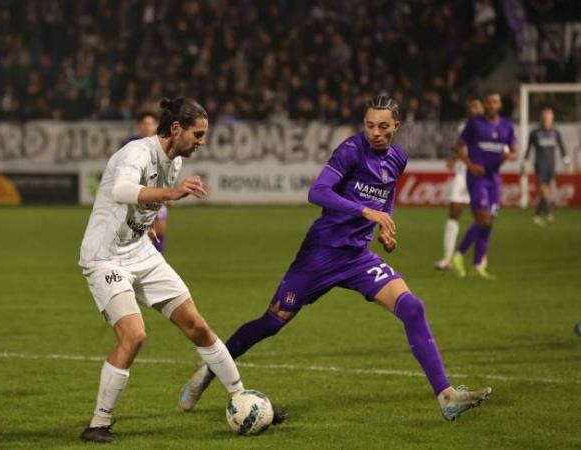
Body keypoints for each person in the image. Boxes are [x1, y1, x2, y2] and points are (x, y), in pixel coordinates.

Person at [179, 95, 492, 422]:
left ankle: (446, 397)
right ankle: (209, 371)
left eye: (383, 127)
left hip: (357, 257)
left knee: (413, 307)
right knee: (271, 323)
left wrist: (385, 225)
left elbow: (387, 196)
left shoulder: (398, 158)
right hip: (321, 254)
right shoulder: (351, 150)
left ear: (396, 126)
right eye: (370, 125)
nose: (375, 132)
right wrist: (365, 210)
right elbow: (317, 192)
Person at [78, 98, 247, 443]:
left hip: (140, 251)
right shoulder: (135, 154)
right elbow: (122, 190)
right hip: (105, 257)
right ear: (175, 129)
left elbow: (143, 202)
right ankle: (98, 423)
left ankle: (242, 399)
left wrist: (147, 222)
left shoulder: (176, 158)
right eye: (198, 134)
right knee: (134, 335)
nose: (202, 141)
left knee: (198, 326)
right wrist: (171, 193)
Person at [452, 91, 518, 280]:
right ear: (484, 104)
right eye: (488, 102)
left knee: (488, 223)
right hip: (477, 178)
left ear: (499, 105)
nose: (491, 105)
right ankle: (459, 255)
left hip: (494, 179)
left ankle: (478, 265)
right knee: (484, 218)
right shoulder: (474, 124)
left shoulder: (506, 126)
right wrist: (470, 165)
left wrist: (509, 156)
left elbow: (514, 151)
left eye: (494, 102)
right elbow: (459, 146)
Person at [435, 97, 484, 270]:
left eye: (477, 105)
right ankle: (447, 259)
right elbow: (462, 147)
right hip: (463, 173)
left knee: (482, 217)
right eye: (471, 106)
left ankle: (480, 258)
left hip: (481, 176)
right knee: (454, 211)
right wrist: (454, 158)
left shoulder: (488, 127)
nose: (474, 108)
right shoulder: (464, 126)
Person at [123, 111, 169, 252]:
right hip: (136, 192)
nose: (147, 126)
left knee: (160, 226)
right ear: (139, 126)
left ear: (156, 126)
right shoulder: (130, 143)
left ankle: (157, 258)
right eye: (144, 123)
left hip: (156, 191)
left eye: (150, 123)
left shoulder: (162, 143)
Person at [524, 106, 570, 226]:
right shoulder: (535, 133)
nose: (547, 118)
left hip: (551, 164)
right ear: (542, 117)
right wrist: (524, 162)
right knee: (543, 190)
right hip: (540, 164)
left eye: (549, 116)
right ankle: (548, 213)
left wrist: (566, 159)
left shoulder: (555, 132)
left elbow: (561, 146)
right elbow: (529, 149)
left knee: (545, 191)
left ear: (552, 118)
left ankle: (537, 215)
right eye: (545, 115)